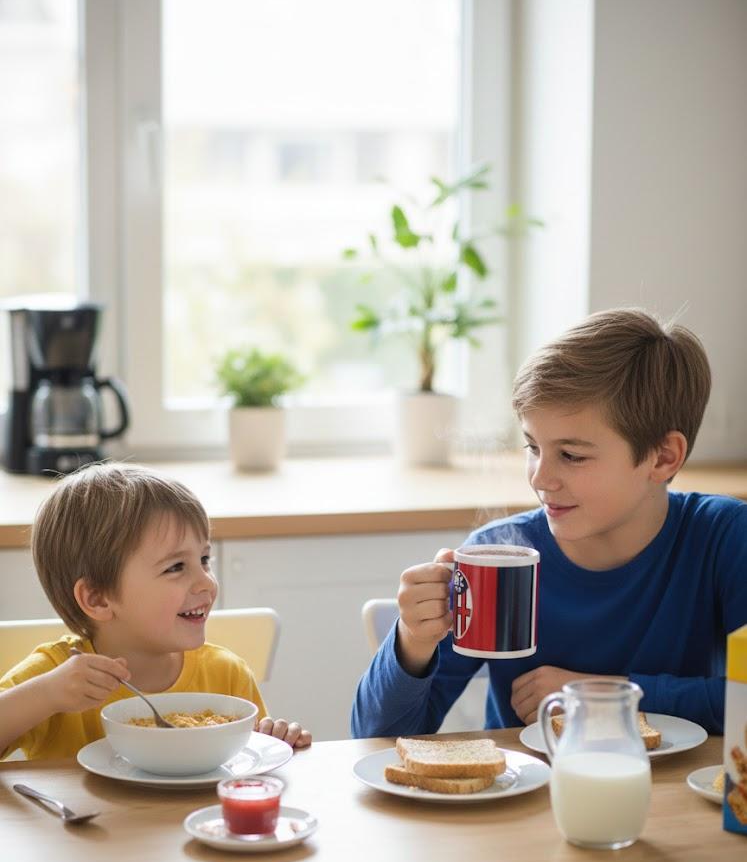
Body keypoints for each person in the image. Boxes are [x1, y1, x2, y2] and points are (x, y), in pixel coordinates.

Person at [351, 309, 747, 738]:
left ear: (663, 457)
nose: (540, 478)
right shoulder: (498, 557)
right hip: (526, 782)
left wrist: (600, 696)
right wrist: (412, 641)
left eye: (571, 455)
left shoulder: (725, 539)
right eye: (533, 447)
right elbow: (374, 738)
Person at [0, 464, 311, 761]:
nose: (207, 582)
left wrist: (273, 740)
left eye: (204, 559)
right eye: (175, 567)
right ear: (98, 599)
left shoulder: (227, 674)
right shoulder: (58, 677)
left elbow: (250, 765)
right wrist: (46, 695)